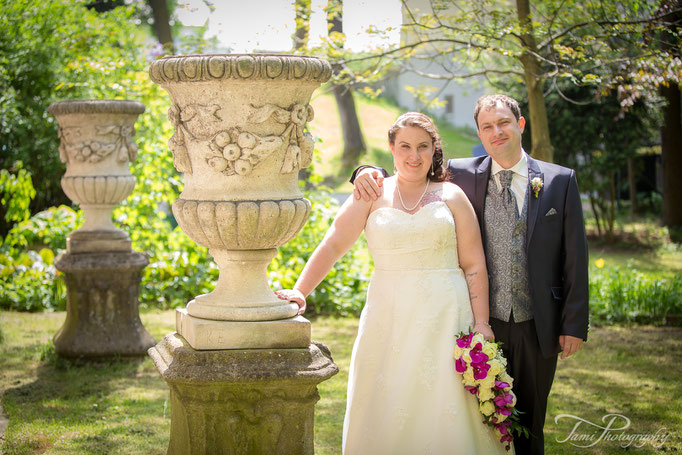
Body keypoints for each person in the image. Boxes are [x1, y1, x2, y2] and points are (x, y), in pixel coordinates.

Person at [351, 94, 589, 455]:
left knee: (530, 421)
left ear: (520, 124)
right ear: (479, 132)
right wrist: (365, 173)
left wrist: (573, 324)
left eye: (504, 123)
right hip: (473, 322)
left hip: (536, 322)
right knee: (480, 423)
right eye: (487, 126)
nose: (497, 132)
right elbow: (409, 167)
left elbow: (575, 256)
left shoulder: (559, 181)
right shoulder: (461, 175)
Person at [277, 112, 513, 454]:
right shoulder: (371, 193)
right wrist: (301, 291)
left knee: (443, 399)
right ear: (391, 147)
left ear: (435, 150)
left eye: (422, 147)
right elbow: (333, 244)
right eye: (404, 146)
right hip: (388, 315)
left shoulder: (452, 196)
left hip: (446, 314)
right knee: (390, 396)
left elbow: (474, 264)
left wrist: (480, 323)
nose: (413, 156)